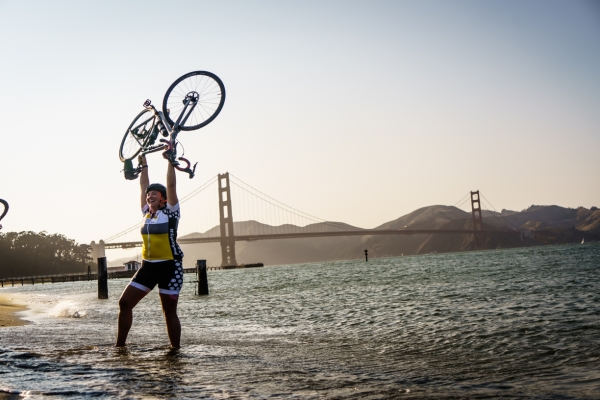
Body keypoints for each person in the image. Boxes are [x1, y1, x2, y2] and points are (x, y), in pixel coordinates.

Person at [116, 153, 184, 348]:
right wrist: (144, 163)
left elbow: (171, 185)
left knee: (169, 311)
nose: (150, 195)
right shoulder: (146, 213)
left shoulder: (171, 212)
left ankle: (175, 352)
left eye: (155, 193)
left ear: (163, 199)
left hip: (170, 267)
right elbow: (143, 185)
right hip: (148, 267)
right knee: (124, 303)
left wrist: (170, 161)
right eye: (149, 194)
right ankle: (119, 347)